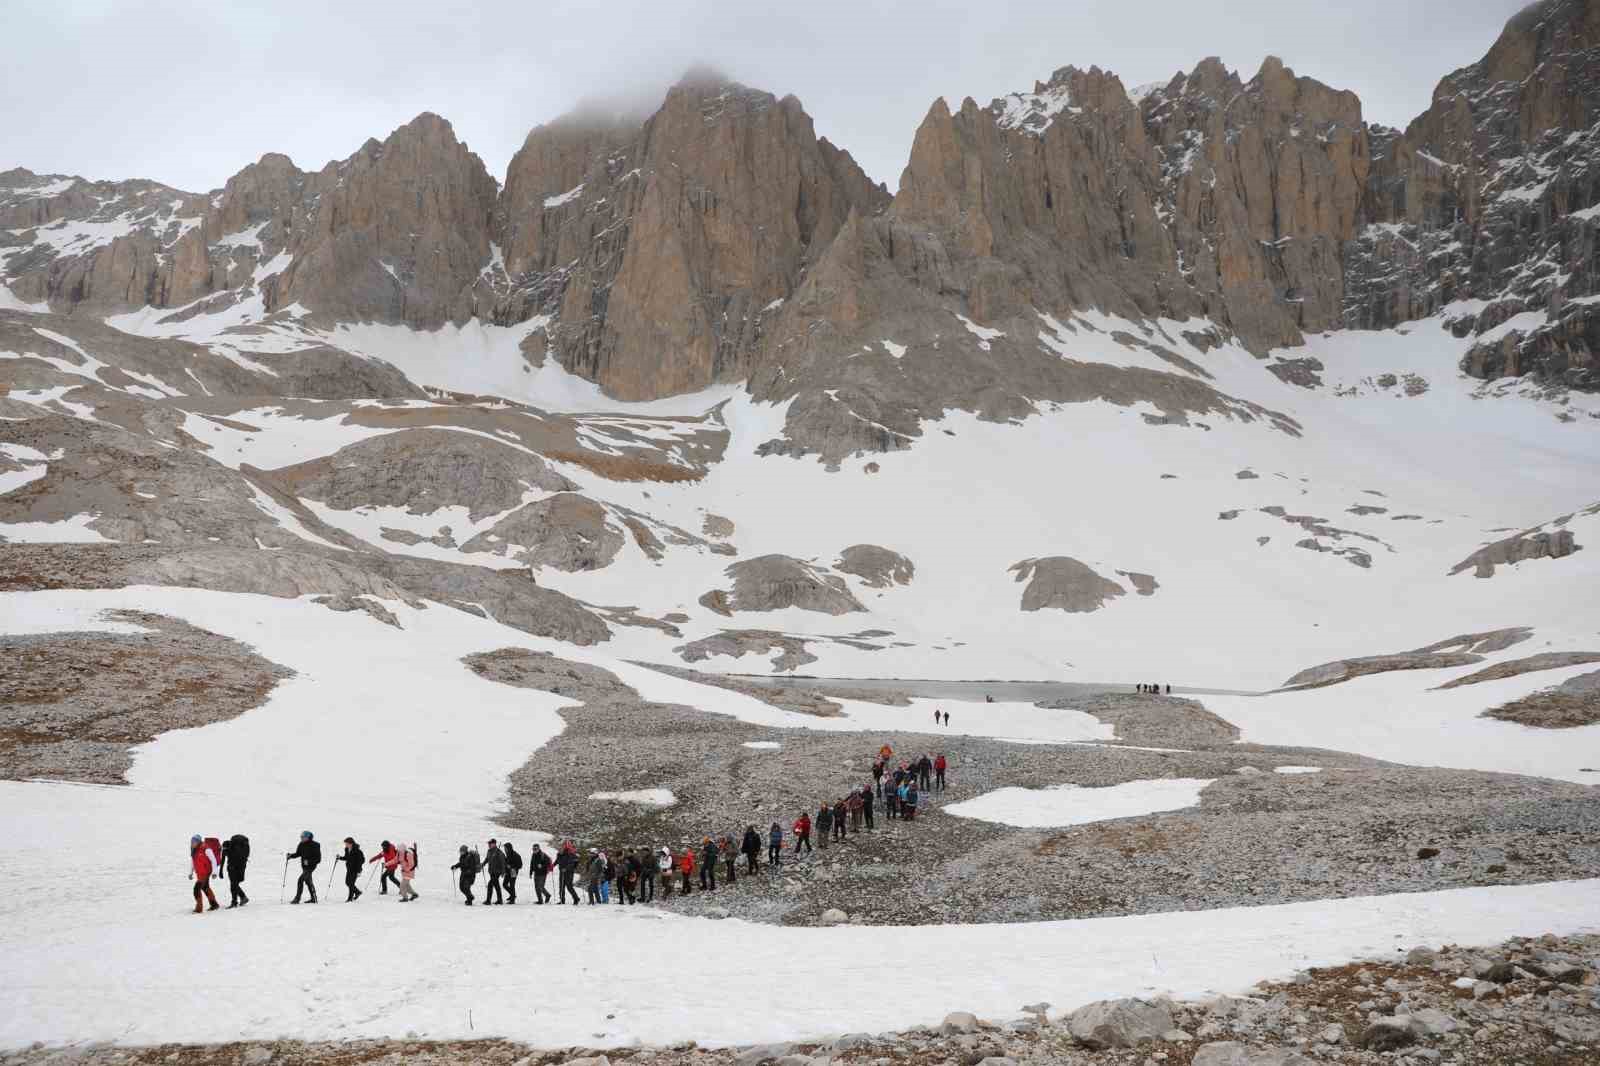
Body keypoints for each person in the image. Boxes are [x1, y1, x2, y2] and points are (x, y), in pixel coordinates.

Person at [189, 835, 221, 914]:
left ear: (199, 841)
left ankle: (199, 908)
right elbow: (193, 861)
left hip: (206, 872)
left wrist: (214, 872)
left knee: (196, 889)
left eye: (195, 842)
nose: (193, 843)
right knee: (205, 887)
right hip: (199, 873)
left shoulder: (206, 849)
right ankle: (214, 904)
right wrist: (191, 872)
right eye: (192, 842)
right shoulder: (194, 850)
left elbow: (213, 860)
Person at [287, 831, 320, 905]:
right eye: (301, 837)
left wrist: (309, 862)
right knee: (308, 882)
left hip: (311, 867)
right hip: (304, 867)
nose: (301, 838)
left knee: (300, 880)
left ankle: (297, 899)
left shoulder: (315, 845)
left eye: (303, 837)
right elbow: (298, 853)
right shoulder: (301, 844)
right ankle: (314, 898)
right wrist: (290, 856)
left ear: (309, 838)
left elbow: (318, 859)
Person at [221, 833, 249, 908]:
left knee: (233, 885)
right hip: (242, 866)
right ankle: (243, 897)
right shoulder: (239, 847)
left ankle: (234, 902)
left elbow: (223, 859)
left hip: (232, 868)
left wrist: (221, 871)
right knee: (234, 884)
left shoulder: (228, 848)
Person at [336, 838, 365, 902]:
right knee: (347, 882)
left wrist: (359, 871)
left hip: (355, 869)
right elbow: (346, 858)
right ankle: (357, 892)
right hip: (349, 869)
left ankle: (350, 898)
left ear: (351, 843)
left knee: (351, 883)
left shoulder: (357, 851)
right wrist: (340, 857)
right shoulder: (346, 849)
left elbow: (361, 861)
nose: (345, 845)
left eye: (347, 843)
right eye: (345, 843)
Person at [483, 840, 506, 905]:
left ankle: (488, 900)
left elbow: (503, 862)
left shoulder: (499, 852)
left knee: (490, 884)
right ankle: (500, 900)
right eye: (488, 844)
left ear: (494, 844)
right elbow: (487, 859)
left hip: (497, 871)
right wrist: (483, 864)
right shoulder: (489, 851)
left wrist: (503, 872)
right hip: (491, 871)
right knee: (496, 885)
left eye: (490, 843)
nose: (489, 845)